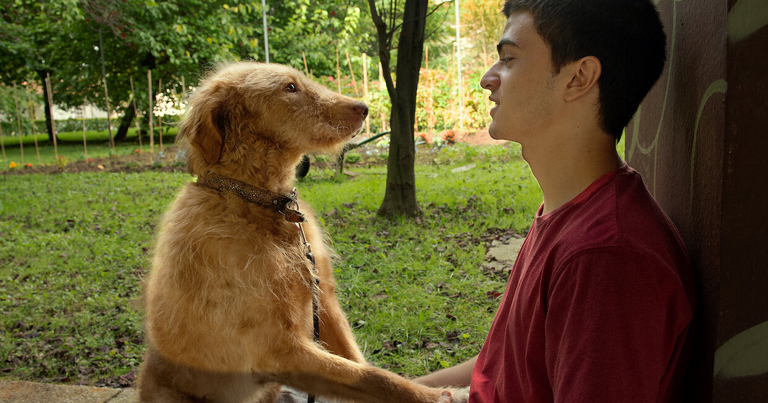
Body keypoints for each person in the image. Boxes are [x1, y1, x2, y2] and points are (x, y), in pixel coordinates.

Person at [417, 0, 695, 402]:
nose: (487, 79)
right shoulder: (568, 211)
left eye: (509, 59)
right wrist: (375, 391)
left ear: (579, 77)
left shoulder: (606, 257)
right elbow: (497, 369)